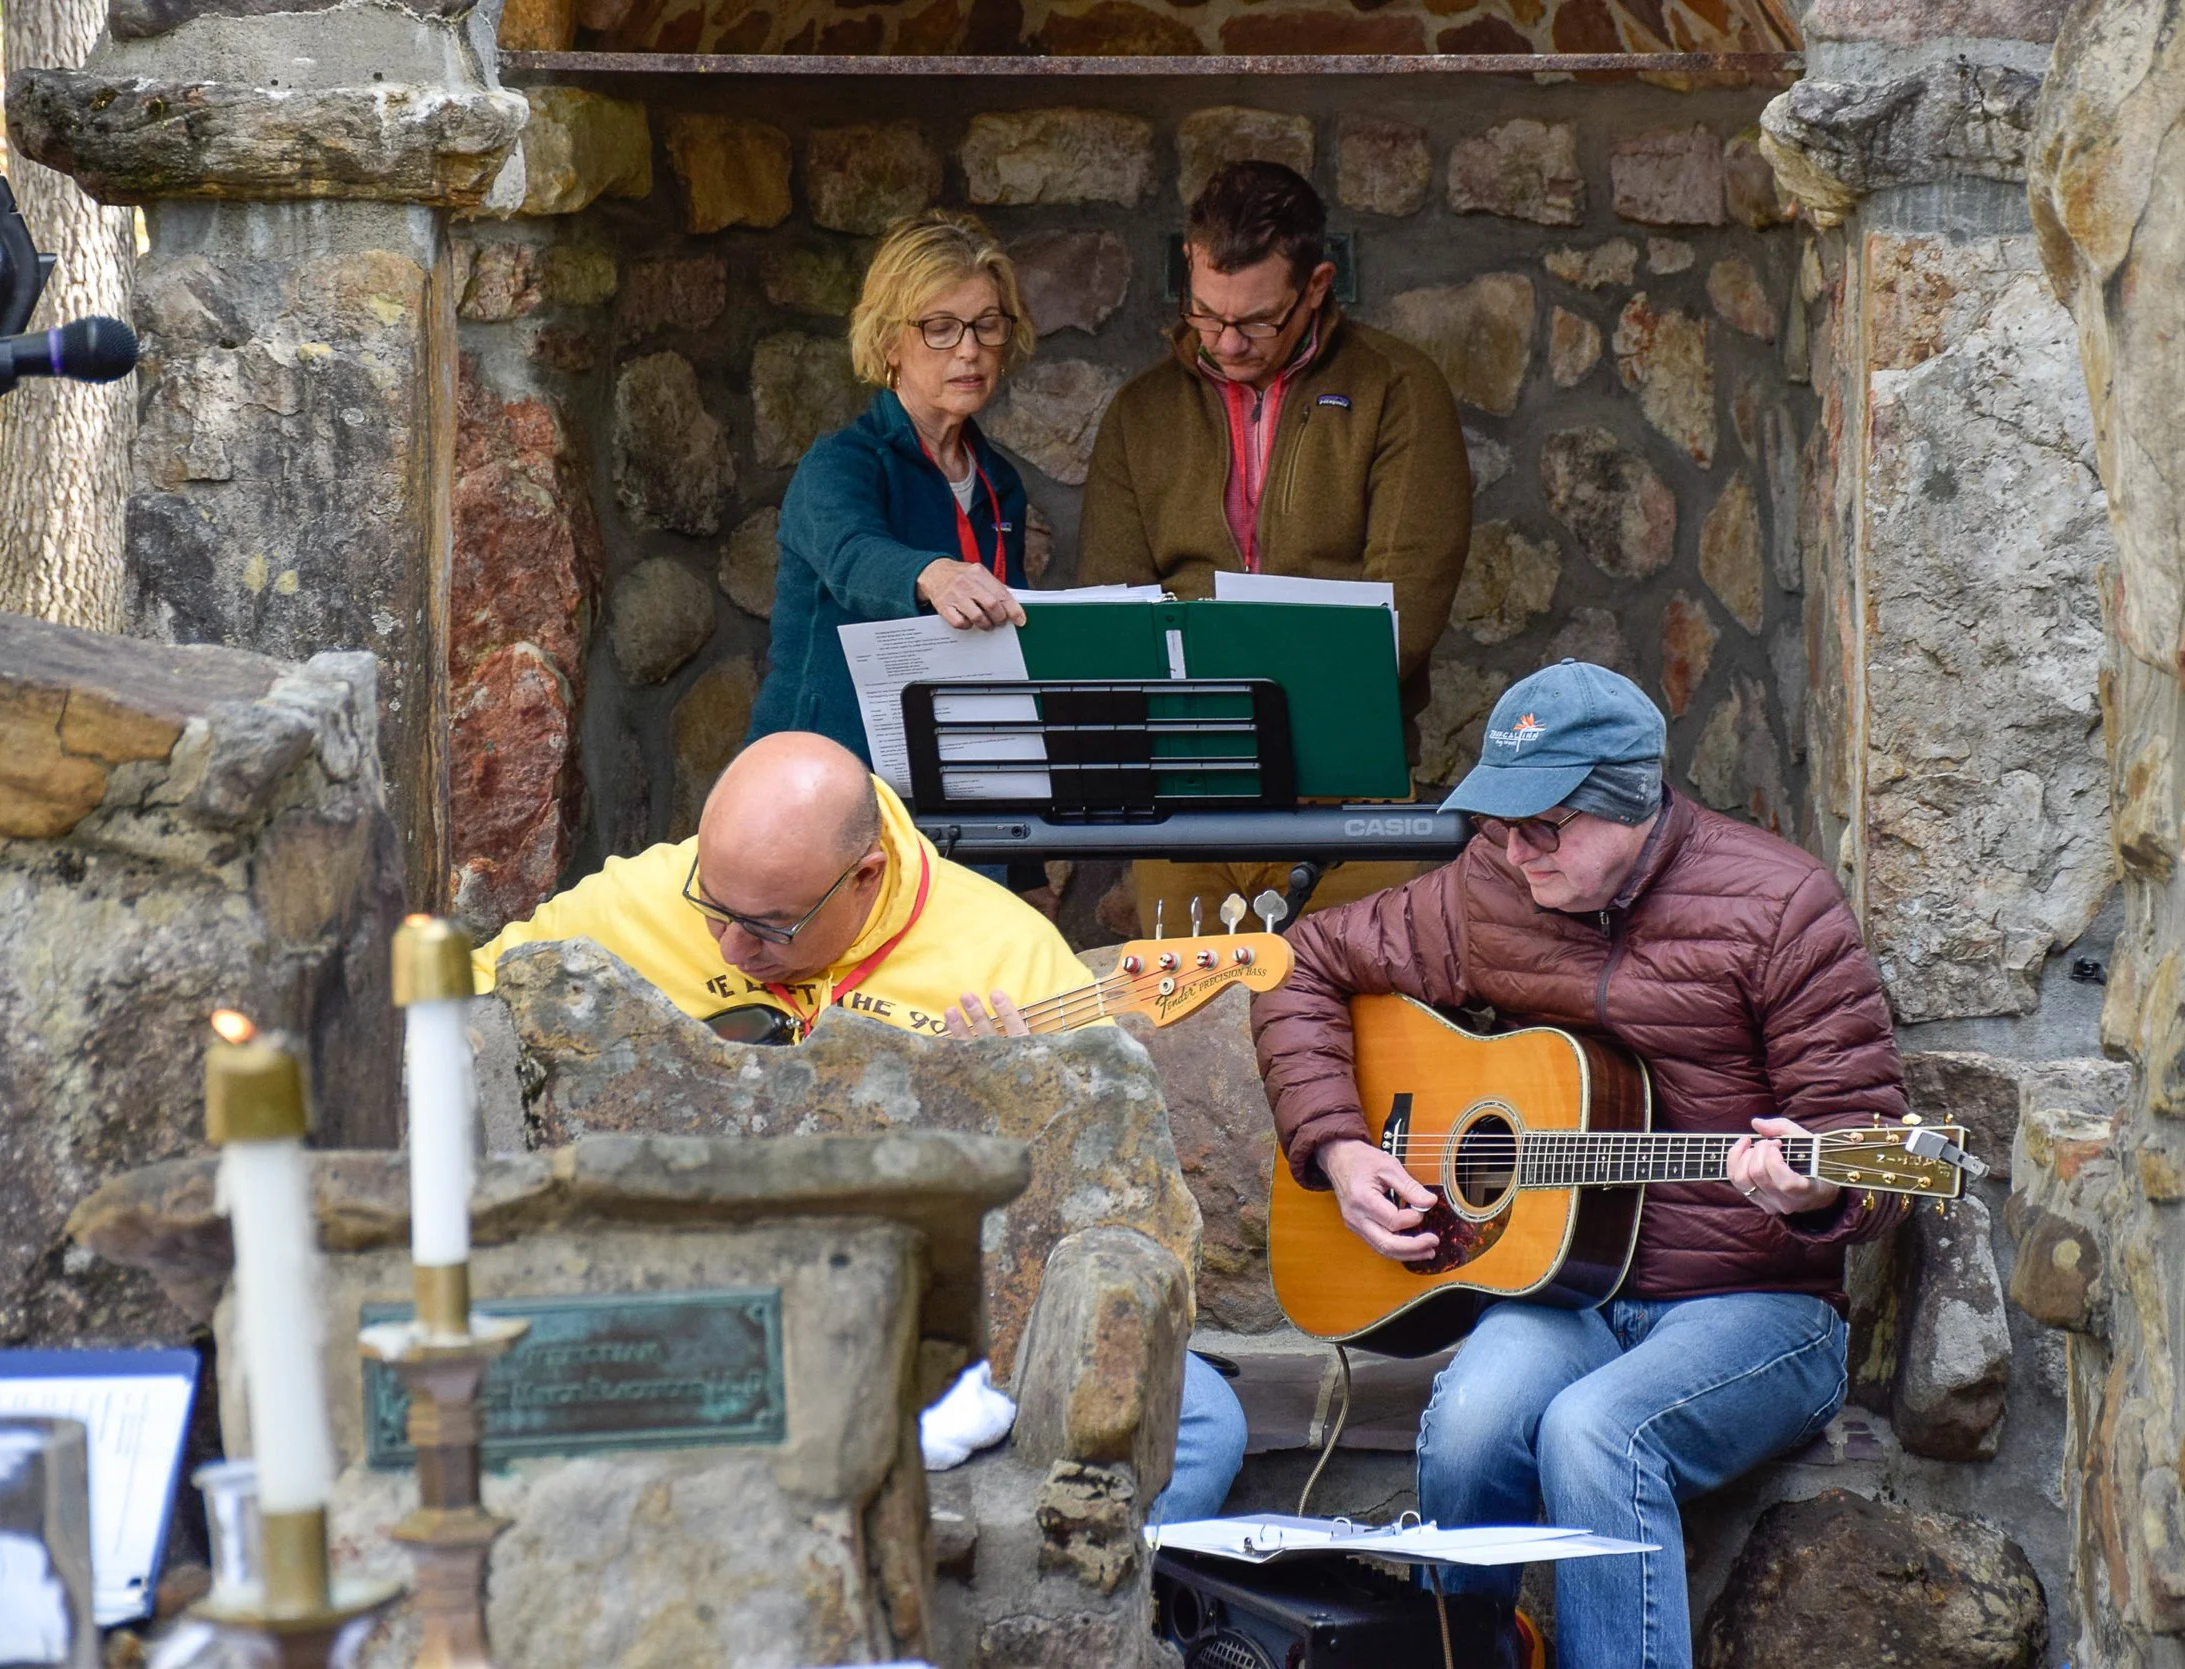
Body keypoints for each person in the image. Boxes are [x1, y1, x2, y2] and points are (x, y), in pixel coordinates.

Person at [1249, 661, 1909, 1669]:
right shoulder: (1489, 883)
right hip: (1566, 1289)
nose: (1514, 852)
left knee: (1597, 1433)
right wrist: (1337, 1144)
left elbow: (1863, 1152)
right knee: (1467, 1421)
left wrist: (1821, 1186)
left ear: (1632, 799)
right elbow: (1297, 962)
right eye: (1499, 822)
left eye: (1543, 826)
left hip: (1755, 1303)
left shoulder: (1779, 906)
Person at [472, 731, 1248, 1519]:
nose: (735, 949)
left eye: (771, 926)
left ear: (864, 876)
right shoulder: (640, 896)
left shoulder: (1008, 955)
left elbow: (1066, 1242)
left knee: (1201, 1419)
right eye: (713, 909)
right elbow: (458, 1003)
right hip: (682, 1282)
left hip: (906, 1311)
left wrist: (1018, 1106)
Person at [1078, 159, 1475, 929]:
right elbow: (1114, 609)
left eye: (1257, 320)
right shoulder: (1140, 412)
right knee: (1185, 1032)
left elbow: (1401, 613)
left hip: (1348, 796)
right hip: (1183, 798)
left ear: (1318, 285)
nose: (1226, 342)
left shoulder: (1397, 387)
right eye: (1203, 313)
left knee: (1362, 1028)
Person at [746, 211, 1035, 766]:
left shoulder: (1000, 482)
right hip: (822, 781)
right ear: (888, 341)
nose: (969, 350)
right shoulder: (839, 463)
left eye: (986, 324)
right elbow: (853, 555)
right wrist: (931, 573)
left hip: (958, 768)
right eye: (940, 327)